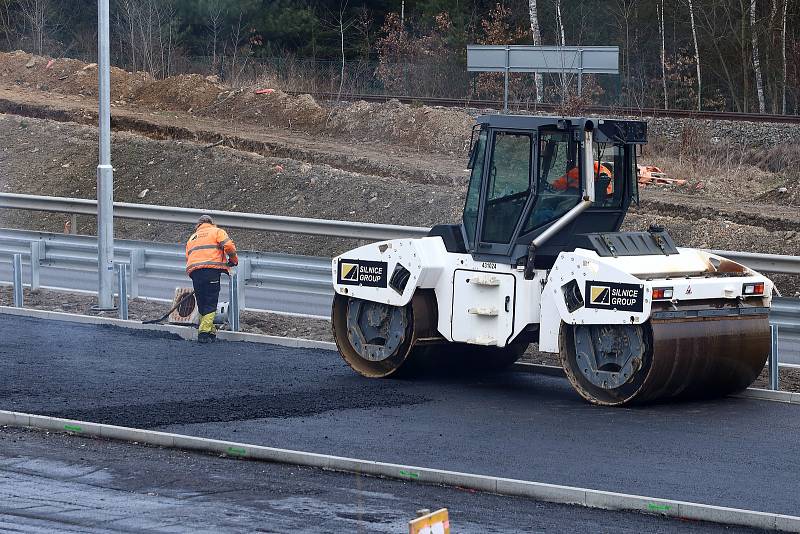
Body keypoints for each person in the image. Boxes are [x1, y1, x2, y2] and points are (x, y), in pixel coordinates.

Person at [185, 215, 238, 343]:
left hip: (195, 272)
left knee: (202, 301)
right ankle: (203, 332)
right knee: (210, 301)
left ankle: (210, 331)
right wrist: (233, 260)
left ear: (198, 225)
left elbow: (188, 256)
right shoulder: (217, 231)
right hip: (211, 271)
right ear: (212, 223)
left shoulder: (192, 237)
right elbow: (229, 247)